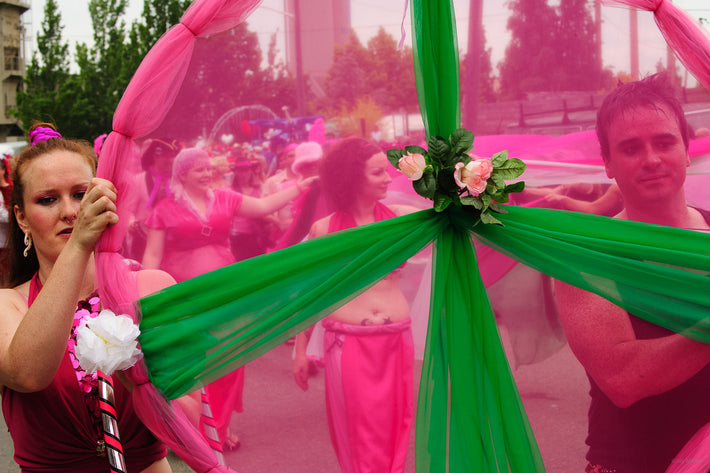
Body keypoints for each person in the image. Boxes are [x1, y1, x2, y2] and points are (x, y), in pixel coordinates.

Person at [555, 73, 710, 473]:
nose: (652, 159)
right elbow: (624, 379)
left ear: (687, 151)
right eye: (630, 148)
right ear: (607, 163)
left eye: (664, 142)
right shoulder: (588, 257)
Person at [0, 123, 173, 472]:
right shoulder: (8, 305)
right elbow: (28, 374)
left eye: (81, 194)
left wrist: (136, 377)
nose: (70, 211)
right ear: (21, 217)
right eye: (48, 200)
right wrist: (79, 244)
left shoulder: (151, 288)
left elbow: (187, 417)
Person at [142, 146, 316, 451]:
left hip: (226, 294)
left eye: (209, 168)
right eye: (200, 170)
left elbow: (263, 206)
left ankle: (220, 427)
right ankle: (194, 427)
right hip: (184, 298)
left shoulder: (226, 198)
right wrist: (145, 296)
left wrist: (300, 187)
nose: (208, 173)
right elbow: (153, 254)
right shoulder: (164, 210)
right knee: (195, 360)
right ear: (182, 174)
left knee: (230, 358)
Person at [293, 137, 417, 473]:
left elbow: (454, 220)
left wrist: (467, 175)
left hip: (395, 340)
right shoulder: (325, 231)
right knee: (358, 431)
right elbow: (312, 295)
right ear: (352, 177)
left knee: (396, 427)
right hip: (348, 345)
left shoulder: (403, 220)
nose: (389, 178)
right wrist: (300, 350)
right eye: (378, 172)